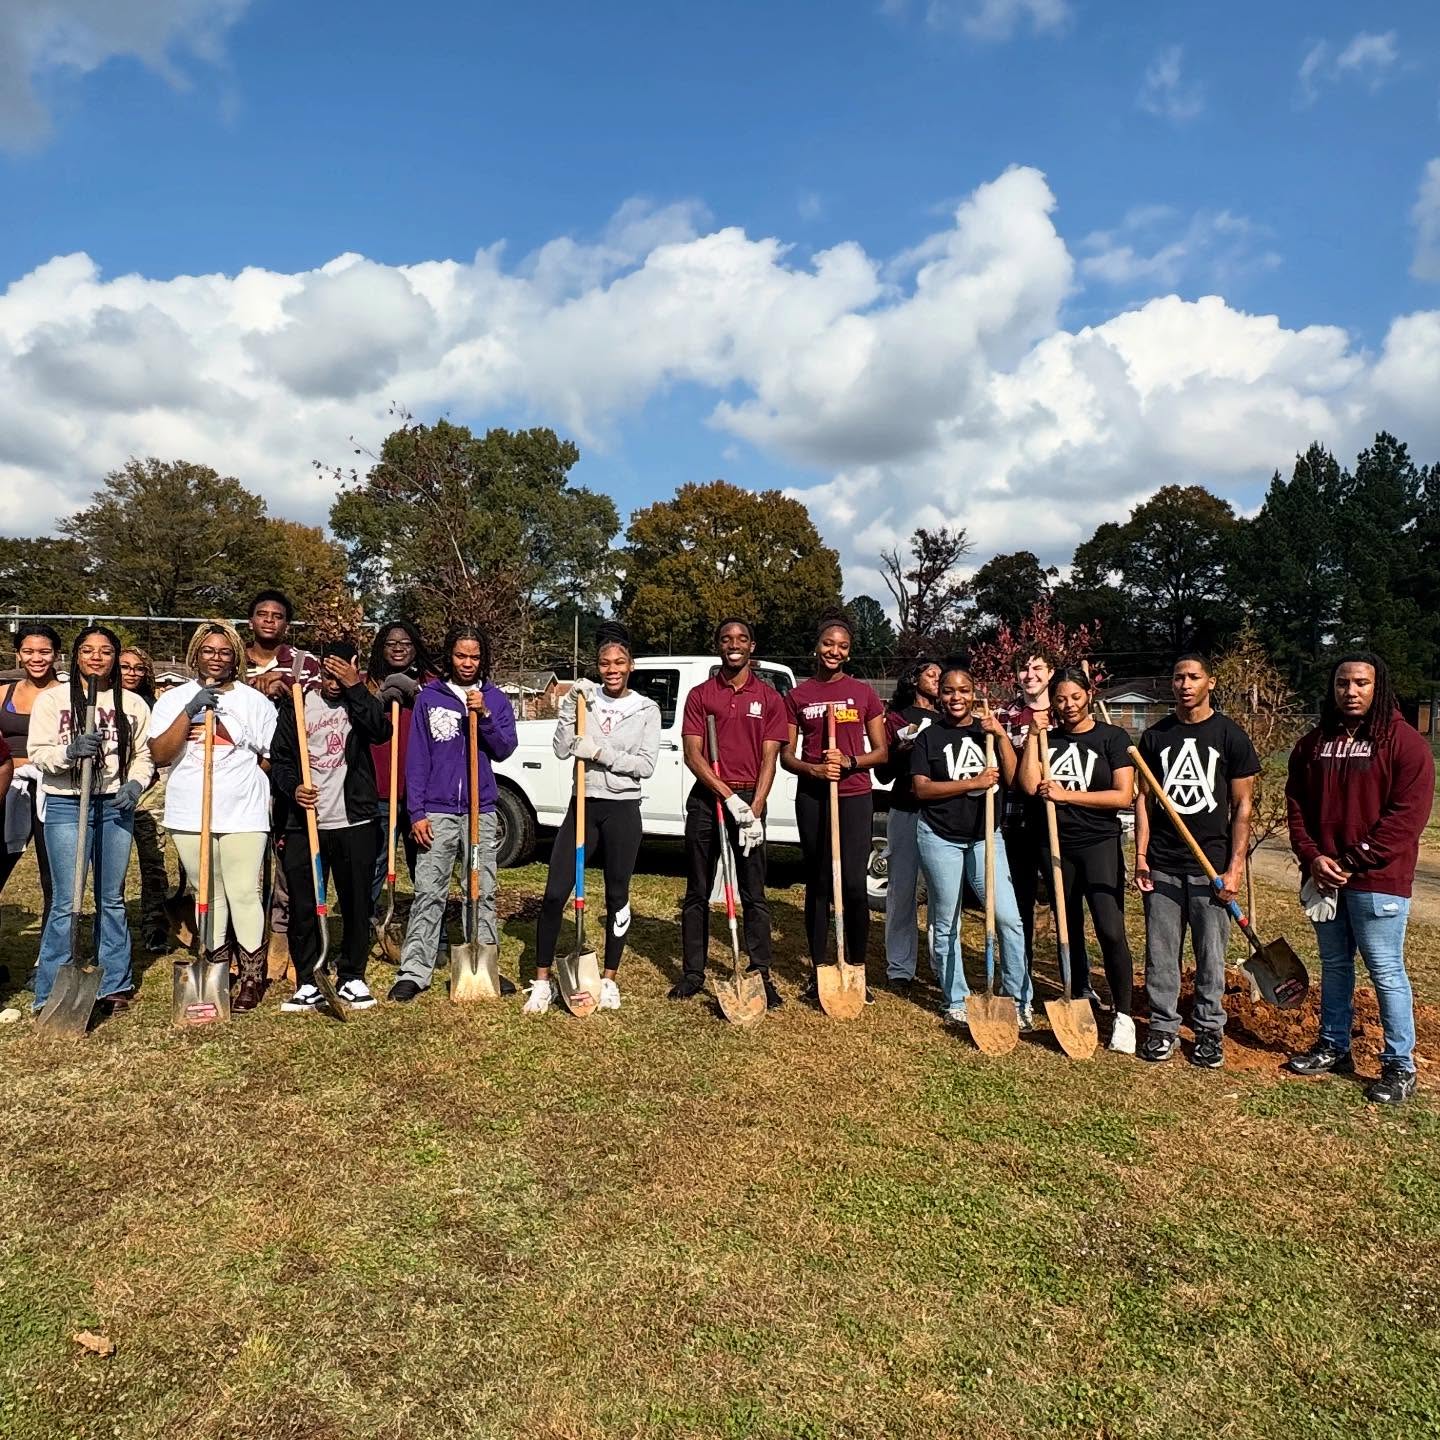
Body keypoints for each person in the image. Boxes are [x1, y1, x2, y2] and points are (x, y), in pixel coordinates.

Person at [1284, 653, 1435, 1105]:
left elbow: (1406, 817)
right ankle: (1334, 1046)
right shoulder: (1312, 745)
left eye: (1361, 683)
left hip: (1378, 881)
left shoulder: (1404, 744)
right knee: (1334, 965)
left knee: (1386, 970)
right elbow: (1296, 807)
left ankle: (1398, 1065)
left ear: (1378, 687)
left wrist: (1352, 859)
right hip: (1325, 877)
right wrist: (1312, 857)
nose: (1350, 692)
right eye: (1342, 684)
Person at [524, 623, 660, 1014]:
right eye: (605, 663)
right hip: (583, 803)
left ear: (631, 665)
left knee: (618, 895)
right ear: (597, 666)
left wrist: (600, 754)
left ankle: (609, 978)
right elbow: (562, 750)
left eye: (619, 662)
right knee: (554, 893)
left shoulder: (646, 709)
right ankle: (543, 980)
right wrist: (570, 707)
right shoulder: (586, 699)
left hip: (622, 810)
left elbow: (645, 766)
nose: (612, 669)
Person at [1134, 653, 1260, 1069]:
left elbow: (1243, 804)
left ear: (1211, 682)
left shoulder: (1230, 735)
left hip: (1213, 868)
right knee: (1162, 954)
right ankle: (1163, 1026)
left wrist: (1235, 866)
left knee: (1210, 955)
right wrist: (1140, 856)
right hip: (1164, 864)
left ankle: (1208, 1030)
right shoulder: (1155, 737)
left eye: (1194, 677)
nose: (1185, 684)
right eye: (1178, 678)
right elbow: (1144, 800)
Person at [149, 622, 278, 1012]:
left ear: (236, 656)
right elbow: (160, 754)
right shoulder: (175, 699)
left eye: (224, 652)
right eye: (208, 651)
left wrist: (246, 770)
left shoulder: (255, 703)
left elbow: (272, 756)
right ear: (195, 655)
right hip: (190, 809)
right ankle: (219, 966)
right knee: (208, 890)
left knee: (243, 890)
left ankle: (253, 975)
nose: (216, 658)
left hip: (243, 810)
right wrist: (190, 713)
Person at [388, 624, 517, 1003]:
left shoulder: (494, 698)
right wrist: (416, 812)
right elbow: (417, 759)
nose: (467, 663)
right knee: (429, 891)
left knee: (482, 890)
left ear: (484, 659)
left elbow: (504, 748)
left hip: (481, 810)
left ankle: (484, 963)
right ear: (450, 656)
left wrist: (486, 715)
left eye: (475, 656)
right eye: (461, 655)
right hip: (437, 811)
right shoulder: (430, 698)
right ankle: (415, 971)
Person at [28, 626, 153, 1014]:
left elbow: (144, 755)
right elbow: (38, 753)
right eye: (87, 650)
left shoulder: (132, 704)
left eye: (105, 651)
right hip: (67, 803)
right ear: (76, 657)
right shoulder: (52, 701)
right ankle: (50, 988)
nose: (96, 657)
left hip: (114, 803)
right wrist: (69, 752)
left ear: (115, 657)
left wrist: (135, 783)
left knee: (111, 898)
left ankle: (115, 981)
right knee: (67, 900)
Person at [1019, 667, 1137, 1052]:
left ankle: (1124, 1015)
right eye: (1060, 699)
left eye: (1074, 696)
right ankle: (1078, 990)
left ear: (1089, 694)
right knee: (1067, 926)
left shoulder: (1112, 738)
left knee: (1110, 927)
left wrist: (1067, 795)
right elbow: (1026, 784)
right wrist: (1035, 736)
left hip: (1099, 843)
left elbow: (1123, 796)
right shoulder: (1046, 739)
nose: (1068, 705)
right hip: (1054, 844)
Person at [671, 618, 788, 1006]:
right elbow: (693, 754)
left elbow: (770, 759)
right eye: (726, 639)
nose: (733, 645)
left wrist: (752, 809)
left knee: (754, 892)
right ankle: (692, 973)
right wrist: (727, 797)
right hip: (709, 800)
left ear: (752, 646)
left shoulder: (770, 698)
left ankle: (761, 973)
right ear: (718, 645)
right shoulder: (701, 695)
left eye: (741, 639)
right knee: (697, 891)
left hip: (751, 800)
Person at [269, 640, 391, 1013]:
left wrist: (355, 687)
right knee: (304, 902)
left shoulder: (360, 702)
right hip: (305, 822)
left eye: (343, 669)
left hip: (354, 819)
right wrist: (293, 788)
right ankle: (309, 978)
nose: (334, 677)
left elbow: (380, 730)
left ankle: (352, 975)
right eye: (330, 669)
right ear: (319, 668)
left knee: (356, 901)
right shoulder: (298, 703)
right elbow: (282, 757)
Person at [781, 611, 888, 999]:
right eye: (829, 644)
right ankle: (819, 968)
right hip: (813, 797)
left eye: (842, 646)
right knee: (820, 884)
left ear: (849, 652)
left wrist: (849, 762)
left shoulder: (863, 694)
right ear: (817, 646)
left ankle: (856, 967)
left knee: (856, 887)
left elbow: (881, 752)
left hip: (855, 795)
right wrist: (813, 768)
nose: (834, 651)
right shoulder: (798, 696)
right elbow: (786, 756)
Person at [909, 665, 1025, 1025]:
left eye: (962, 690)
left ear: (975, 692)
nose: (955, 697)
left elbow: (1011, 778)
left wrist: (1001, 737)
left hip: (984, 837)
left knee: (1008, 917)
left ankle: (1019, 999)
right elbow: (922, 789)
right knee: (946, 921)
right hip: (939, 836)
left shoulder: (987, 731)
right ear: (939, 695)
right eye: (947, 690)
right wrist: (971, 781)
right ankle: (955, 998)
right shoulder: (930, 736)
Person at [244, 589, 319, 966]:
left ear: (286, 624)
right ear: (252, 620)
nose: (269, 620)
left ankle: (282, 936)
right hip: (244, 774)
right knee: (245, 857)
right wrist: (255, 688)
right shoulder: (233, 661)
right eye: (262, 614)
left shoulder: (305, 665)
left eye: (277, 615)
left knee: (289, 856)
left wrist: (289, 692)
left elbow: (320, 712)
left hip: (289, 770)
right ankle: (244, 938)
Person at [997, 646, 1057, 1019]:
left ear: (1050, 673)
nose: (1030, 674)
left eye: (1038, 667)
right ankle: (1020, 989)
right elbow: (1009, 773)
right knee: (1018, 910)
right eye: (1024, 668)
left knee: (1066, 904)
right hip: (1017, 820)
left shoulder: (1065, 710)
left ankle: (1077, 983)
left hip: (1057, 822)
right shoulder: (1007, 714)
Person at [364, 620, 436, 910]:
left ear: (416, 648)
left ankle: (433, 933)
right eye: (391, 643)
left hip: (422, 794)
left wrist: (417, 693)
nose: (398, 648)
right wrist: (377, 701)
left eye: (405, 643)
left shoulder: (432, 682)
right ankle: (368, 925)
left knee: (425, 865)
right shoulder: (368, 682)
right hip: (380, 791)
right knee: (376, 862)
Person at [880, 657, 940, 991]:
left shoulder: (950, 719)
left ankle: (941, 963)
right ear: (914, 679)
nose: (936, 679)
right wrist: (901, 750)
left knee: (942, 895)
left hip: (943, 814)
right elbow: (883, 773)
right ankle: (900, 969)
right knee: (902, 889)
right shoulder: (898, 718)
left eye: (940, 676)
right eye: (930, 674)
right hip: (905, 810)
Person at [0, 624, 64, 925]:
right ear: (18, 655)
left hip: (51, 788)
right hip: (8, 787)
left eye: (44, 651)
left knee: (53, 876)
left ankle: (48, 959)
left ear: (56, 655)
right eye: (28, 651)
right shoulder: (3, 693)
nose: (36, 658)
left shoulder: (67, 695)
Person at [119, 646, 170, 953]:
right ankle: (115, 925)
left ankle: (155, 925)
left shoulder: (155, 705)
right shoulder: (103, 703)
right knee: (114, 864)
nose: (132, 673)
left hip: (149, 792)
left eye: (138, 668)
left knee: (154, 861)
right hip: (112, 791)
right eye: (125, 667)